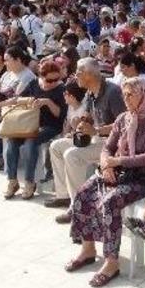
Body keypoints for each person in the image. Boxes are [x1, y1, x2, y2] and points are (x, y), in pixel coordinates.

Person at [64, 77, 145, 288]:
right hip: (116, 172)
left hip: (141, 178)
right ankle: (88, 249)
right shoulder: (123, 119)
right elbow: (107, 148)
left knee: (111, 201)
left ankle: (112, 261)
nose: (126, 98)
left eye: (131, 94)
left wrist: (118, 161)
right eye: (124, 94)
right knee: (84, 192)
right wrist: (106, 165)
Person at [46, 58, 126, 223]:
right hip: (97, 138)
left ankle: (80, 208)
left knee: (72, 155)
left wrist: (96, 130)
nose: (76, 76)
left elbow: (124, 124)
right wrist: (81, 122)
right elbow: (89, 117)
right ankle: (65, 196)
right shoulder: (90, 92)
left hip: (113, 144)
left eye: (79, 72)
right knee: (56, 146)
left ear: (89, 74)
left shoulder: (113, 92)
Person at [0, 60, 67, 200]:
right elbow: (19, 98)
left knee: (30, 141)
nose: (53, 82)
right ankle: (12, 181)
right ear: (42, 76)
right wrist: (30, 101)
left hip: (51, 125)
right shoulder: (35, 84)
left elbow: (60, 114)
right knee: (12, 141)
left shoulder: (61, 89)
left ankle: (29, 181)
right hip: (29, 123)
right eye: (49, 79)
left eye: (56, 79)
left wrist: (47, 102)